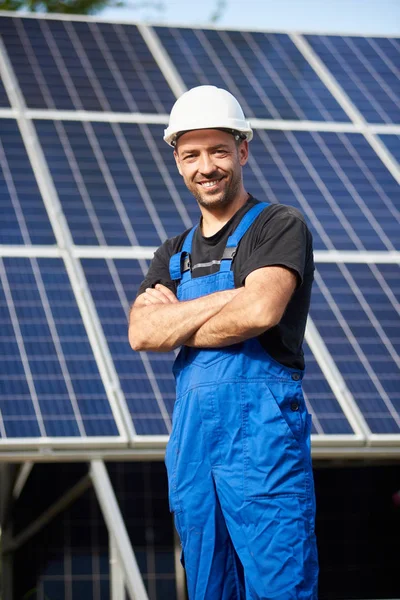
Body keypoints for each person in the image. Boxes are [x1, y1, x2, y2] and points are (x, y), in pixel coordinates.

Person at [129, 85, 318, 599]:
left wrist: (182, 320)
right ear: (177, 159)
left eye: (218, 151)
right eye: (191, 154)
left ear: (243, 151)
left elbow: (259, 311)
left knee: (279, 583)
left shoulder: (278, 226)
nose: (205, 166)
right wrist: (231, 297)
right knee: (207, 585)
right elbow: (143, 332)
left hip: (261, 439)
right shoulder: (172, 251)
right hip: (192, 446)